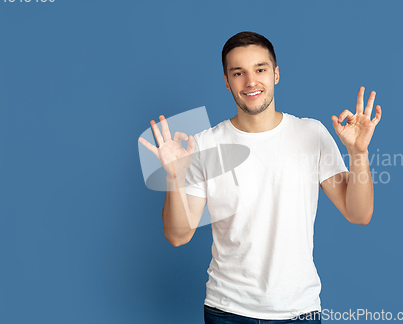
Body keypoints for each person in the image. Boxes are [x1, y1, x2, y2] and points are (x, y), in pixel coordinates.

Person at [138, 31, 382, 324]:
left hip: (298, 310)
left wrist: (358, 153)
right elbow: (178, 236)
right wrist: (174, 177)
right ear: (227, 82)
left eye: (260, 69)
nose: (251, 81)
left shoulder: (311, 134)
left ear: (276, 74)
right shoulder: (203, 145)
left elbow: (359, 214)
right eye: (238, 72)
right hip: (227, 311)